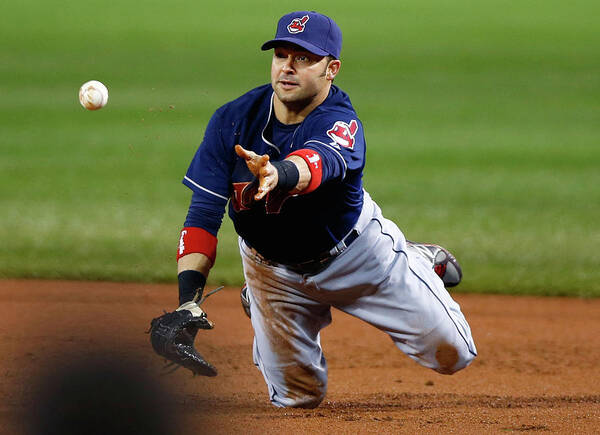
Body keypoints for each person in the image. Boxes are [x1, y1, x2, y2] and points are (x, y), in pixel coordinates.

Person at [173, 11, 477, 408]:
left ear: (331, 68)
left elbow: (317, 164)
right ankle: (260, 299)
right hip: (272, 273)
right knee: (297, 400)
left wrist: (278, 173)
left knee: (453, 354)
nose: (288, 67)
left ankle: (415, 259)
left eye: (304, 58)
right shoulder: (232, 120)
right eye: (282, 55)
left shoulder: (340, 120)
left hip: (360, 257)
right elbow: (202, 215)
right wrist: (187, 300)